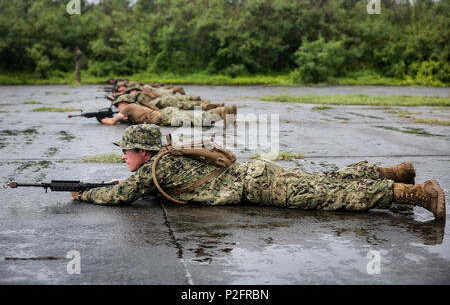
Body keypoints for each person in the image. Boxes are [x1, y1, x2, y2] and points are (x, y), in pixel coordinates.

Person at [72, 124, 446, 220]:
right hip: (255, 172)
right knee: (324, 181)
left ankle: (417, 193)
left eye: (125, 152)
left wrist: (85, 194)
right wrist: (123, 182)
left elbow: (121, 197)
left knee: (328, 197)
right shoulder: (165, 160)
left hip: (257, 184)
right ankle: (392, 172)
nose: (123, 158)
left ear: (142, 150)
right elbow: (138, 187)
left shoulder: (154, 167)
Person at [100, 96, 237, 126]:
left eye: (118, 105)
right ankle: (224, 112)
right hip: (165, 113)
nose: (118, 108)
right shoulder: (134, 106)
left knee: (196, 121)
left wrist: (101, 119)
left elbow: (112, 121)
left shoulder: (127, 108)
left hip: (163, 117)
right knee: (193, 118)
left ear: (123, 103)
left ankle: (221, 111)